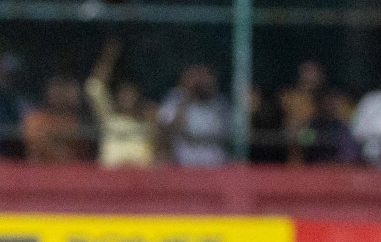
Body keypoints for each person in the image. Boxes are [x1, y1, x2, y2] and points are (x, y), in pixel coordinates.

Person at [84, 40, 156, 168]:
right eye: (123, 94)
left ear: (137, 97)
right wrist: (109, 56)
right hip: (112, 179)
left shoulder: (148, 121)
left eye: (131, 94)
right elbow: (94, 87)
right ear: (116, 97)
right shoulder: (108, 118)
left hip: (141, 179)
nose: (127, 98)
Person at [158, 65, 231, 167]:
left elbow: (229, 132)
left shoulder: (220, 103)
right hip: (184, 162)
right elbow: (165, 129)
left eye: (205, 78)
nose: (200, 82)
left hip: (215, 163)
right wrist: (186, 98)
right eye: (194, 78)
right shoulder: (175, 99)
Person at [22, 74, 86, 164]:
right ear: (47, 90)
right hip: (41, 172)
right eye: (56, 87)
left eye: (65, 88)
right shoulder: (35, 119)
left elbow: (81, 154)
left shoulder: (79, 121)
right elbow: (35, 150)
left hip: (72, 172)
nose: (61, 93)